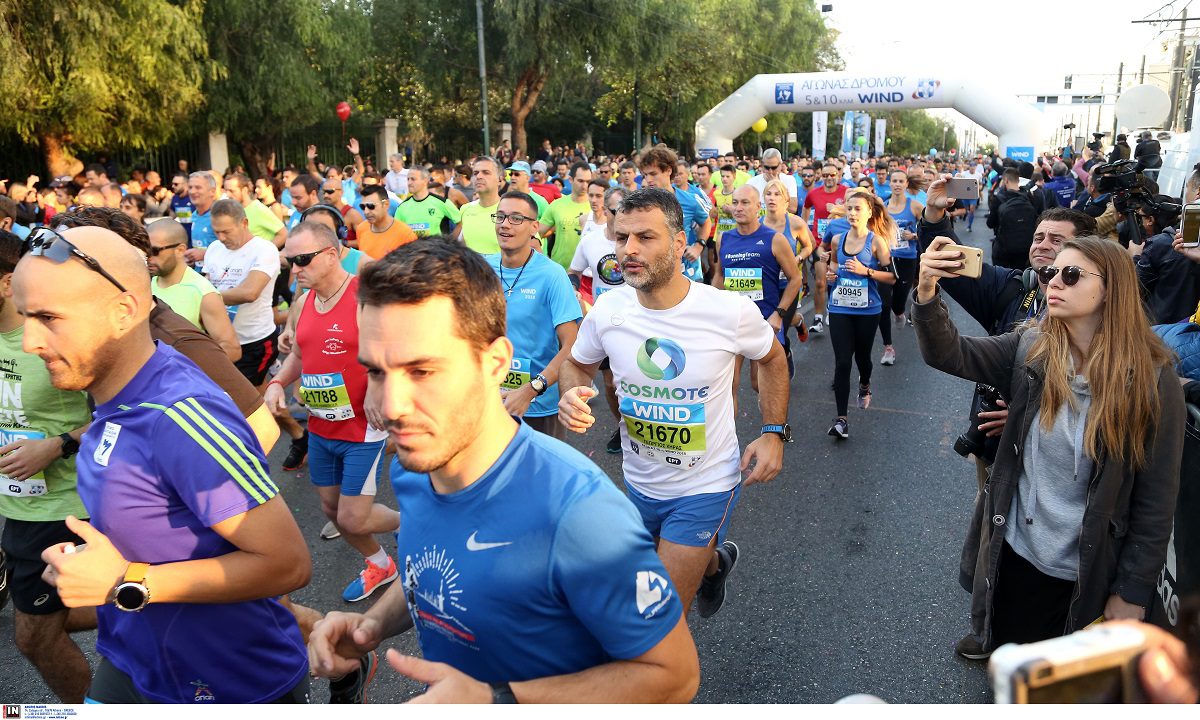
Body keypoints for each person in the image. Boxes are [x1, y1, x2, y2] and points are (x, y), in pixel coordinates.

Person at [306, 238, 700, 703]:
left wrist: (497, 699)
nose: (391, 407)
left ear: (494, 363)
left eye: (423, 372)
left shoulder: (578, 512)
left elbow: (674, 677)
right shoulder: (416, 467)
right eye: (376, 371)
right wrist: (371, 627)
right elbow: (432, 571)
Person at [23, 226, 312, 703]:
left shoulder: (178, 416)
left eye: (49, 318)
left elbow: (288, 564)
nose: (31, 340)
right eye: (28, 316)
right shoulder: (111, 396)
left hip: (228, 685)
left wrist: (125, 582)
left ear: (124, 313)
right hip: (132, 659)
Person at [913, 234, 1183, 658]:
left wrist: (1132, 590)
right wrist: (927, 292)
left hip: (1088, 574)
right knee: (1011, 678)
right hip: (1017, 556)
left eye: (1071, 275)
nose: (1054, 282)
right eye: (1049, 273)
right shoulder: (1031, 347)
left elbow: (1156, 500)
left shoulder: (1152, 378)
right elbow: (952, 354)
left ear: (1111, 287)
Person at [558, 187, 790, 620]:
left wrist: (774, 433)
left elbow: (773, 359)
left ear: (681, 244)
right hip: (639, 482)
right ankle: (716, 564)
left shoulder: (728, 311)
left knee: (656, 616)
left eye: (645, 237)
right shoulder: (609, 310)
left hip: (706, 486)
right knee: (670, 569)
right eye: (622, 237)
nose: (628, 249)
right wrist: (570, 391)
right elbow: (577, 364)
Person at [265, 222, 400, 607]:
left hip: (363, 428)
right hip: (322, 426)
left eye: (302, 260)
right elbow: (299, 353)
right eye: (291, 262)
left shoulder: (366, 297)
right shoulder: (305, 301)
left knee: (354, 517)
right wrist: (278, 381)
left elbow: (396, 352)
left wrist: (378, 387)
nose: (296, 269)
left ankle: (417, 522)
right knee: (332, 509)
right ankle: (379, 564)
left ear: (331, 254)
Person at [0, 229, 93, 703]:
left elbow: (127, 412)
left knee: (34, 638)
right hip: (17, 507)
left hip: (68, 507)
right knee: (42, 626)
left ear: (6, 283)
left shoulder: (49, 340)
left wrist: (57, 444)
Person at [487, 191, 581, 439]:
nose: (506, 224)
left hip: (538, 406)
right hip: (489, 402)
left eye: (517, 218)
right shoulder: (482, 269)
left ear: (534, 228)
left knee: (541, 477)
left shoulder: (552, 275)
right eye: (501, 216)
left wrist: (531, 390)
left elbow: (571, 346)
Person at [712, 183, 803, 385]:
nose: (739, 208)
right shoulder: (723, 238)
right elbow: (719, 275)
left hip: (764, 321)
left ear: (758, 207)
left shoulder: (775, 239)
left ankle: (777, 417)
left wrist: (779, 314)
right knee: (728, 385)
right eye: (735, 203)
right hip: (733, 321)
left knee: (758, 383)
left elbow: (795, 279)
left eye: (745, 203)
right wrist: (713, 309)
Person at [825, 189, 897, 439]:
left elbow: (892, 277)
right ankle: (841, 419)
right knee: (843, 361)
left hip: (868, 310)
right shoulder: (837, 240)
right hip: (840, 307)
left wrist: (866, 271)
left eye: (858, 209)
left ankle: (865, 383)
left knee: (863, 358)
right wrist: (830, 276)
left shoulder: (877, 242)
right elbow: (833, 267)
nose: (852, 212)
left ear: (868, 213)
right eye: (849, 208)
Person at [568, 186, 626, 453]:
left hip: (635, 321)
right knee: (610, 384)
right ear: (605, 210)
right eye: (617, 210)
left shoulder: (637, 242)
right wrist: (576, 295)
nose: (623, 216)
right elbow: (575, 272)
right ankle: (624, 427)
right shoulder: (591, 240)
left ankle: (640, 429)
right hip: (602, 322)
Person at [203, 199, 282, 390]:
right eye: (216, 232)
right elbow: (204, 285)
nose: (221, 238)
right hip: (222, 339)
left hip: (254, 340)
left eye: (226, 231)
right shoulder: (214, 249)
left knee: (248, 403)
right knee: (253, 401)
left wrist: (207, 298)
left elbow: (250, 292)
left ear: (244, 223)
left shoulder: (264, 249)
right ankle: (280, 416)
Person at [148, 219, 240, 360]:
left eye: (154, 251)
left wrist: (188, 369)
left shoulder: (203, 293)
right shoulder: (148, 283)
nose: (148, 257)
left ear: (180, 250)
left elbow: (232, 349)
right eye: (145, 250)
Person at [636, 146, 710, 282]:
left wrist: (699, 246)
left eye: (653, 174)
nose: (648, 179)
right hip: (654, 272)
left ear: (668, 170)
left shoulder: (690, 200)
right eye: (645, 175)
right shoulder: (640, 203)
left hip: (687, 273)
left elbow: (706, 221)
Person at [1129, 198, 1198, 324]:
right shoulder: (1170, 244)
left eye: (1142, 218)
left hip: (1158, 328)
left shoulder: (1158, 245)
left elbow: (1132, 288)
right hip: (1189, 329)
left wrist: (1135, 256)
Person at [802, 162, 849, 334]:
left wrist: (838, 209)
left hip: (841, 244)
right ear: (820, 176)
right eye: (825, 175)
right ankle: (818, 318)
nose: (829, 178)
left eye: (832, 175)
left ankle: (833, 309)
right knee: (821, 282)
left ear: (838, 175)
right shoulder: (814, 193)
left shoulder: (846, 192)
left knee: (836, 280)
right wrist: (806, 229)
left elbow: (858, 210)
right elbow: (806, 209)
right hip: (820, 244)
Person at [883, 170, 924, 351]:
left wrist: (914, 235)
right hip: (887, 258)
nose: (897, 184)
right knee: (884, 301)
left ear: (906, 184)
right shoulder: (883, 207)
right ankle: (888, 346)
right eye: (894, 181)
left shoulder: (914, 206)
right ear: (890, 184)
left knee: (899, 298)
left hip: (907, 257)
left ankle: (899, 312)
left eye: (901, 181)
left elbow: (927, 229)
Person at [539, 162, 593, 271]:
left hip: (589, 273)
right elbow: (537, 233)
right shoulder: (557, 205)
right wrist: (541, 258)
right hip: (560, 270)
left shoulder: (596, 205)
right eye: (580, 181)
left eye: (588, 181)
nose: (584, 186)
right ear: (571, 180)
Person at [987, 168, 1039, 270]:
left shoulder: (999, 198)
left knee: (1001, 276)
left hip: (1003, 248)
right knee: (1020, 276)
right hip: (1025, 247)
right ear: (1018, 180)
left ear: (1005, 180)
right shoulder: (1029, 196)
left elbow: (990, 223)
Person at [453, 156, 503, 255]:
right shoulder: (466, 209)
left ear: (500, 180)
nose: (479, 176)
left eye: (486, 172)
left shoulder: (512, 210)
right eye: (475, 173)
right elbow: (461, 247)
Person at [223, 173, 287, 249]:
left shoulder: (258, 209)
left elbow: (283, 234)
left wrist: (264, 252)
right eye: (226, 190)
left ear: (244, 190)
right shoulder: (232, 211)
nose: (228, 194)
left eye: (231, 191)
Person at [395, 166, 461, 239]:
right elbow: (396, 231)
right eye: (408, 179)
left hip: (435, 249)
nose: (409, 183)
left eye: (413, 179)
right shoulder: (402, 207)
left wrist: (449, 242)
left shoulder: (441, 202)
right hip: (412, 250)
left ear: (425, 180)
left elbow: (461, 222)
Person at [354, 184, 416, 260]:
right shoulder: (361, 229)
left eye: (371, 206)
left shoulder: (405, 234)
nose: (366, 212)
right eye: (363, 207)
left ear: (386, 204)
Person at [747, 149, 798, 214]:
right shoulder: (752, 183)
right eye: (767, 167)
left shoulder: (789, 180)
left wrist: (777, 185)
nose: (770, 171)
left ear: (780, 165)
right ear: (762, 164)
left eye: (774, 168)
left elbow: (793, 209)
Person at [183, 171, 218, 267]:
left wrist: (205, 254)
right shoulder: (194, 215)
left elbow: (235, 247)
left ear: (212, 191)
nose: (192, 191)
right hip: (200, 276)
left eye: (198, 187)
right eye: (190, 187)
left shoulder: (220, 215)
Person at [320, 179, 365, 249]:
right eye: (323, 192)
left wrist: (344, 243)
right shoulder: (321, 213)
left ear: (341, 192)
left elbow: (365, 240)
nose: (325, 195)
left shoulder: (352, 214)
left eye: (330, 191)